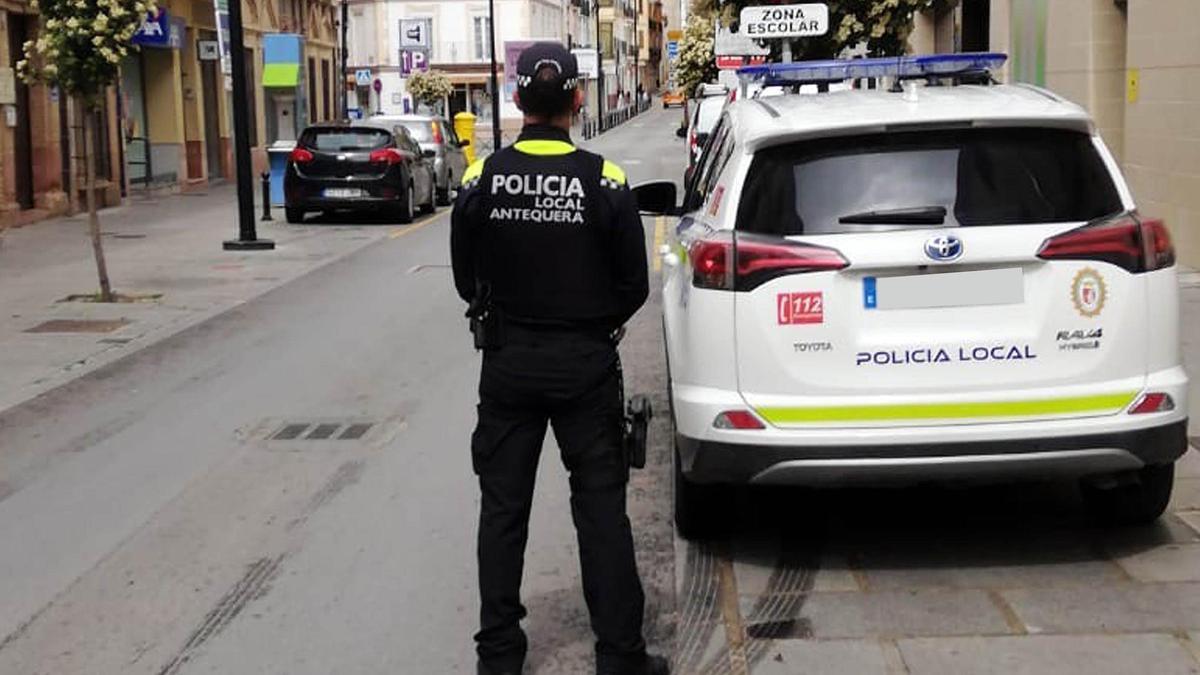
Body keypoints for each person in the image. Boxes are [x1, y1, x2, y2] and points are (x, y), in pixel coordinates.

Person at [450, 42, 669, 675]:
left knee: (503, 511)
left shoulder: (479, 179)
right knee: (601, 510)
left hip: (509, 364)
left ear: (517, 101)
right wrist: (592, 323)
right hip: (585, 366)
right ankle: (620, 656)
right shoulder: (606, 181)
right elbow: (634, 283)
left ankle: (499, 657)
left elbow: (467, 280)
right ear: (578, 99)